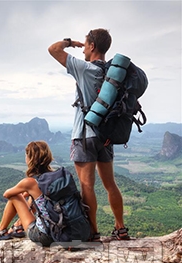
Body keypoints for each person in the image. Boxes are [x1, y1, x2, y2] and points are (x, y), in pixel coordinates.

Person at [48, 29, 130, 241]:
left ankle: (93, 232)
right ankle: (120, 228)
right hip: (106, 136)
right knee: (110, 184)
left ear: (92, 46)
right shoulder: (113, 74)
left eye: (85, 45)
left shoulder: (84, 69)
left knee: (87, 186)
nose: (82, 49)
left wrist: (70, 42)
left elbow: (53, 49)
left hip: (84, 135)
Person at [0, 141, 54, 246]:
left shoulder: (30, 182)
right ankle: (18, 225)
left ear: (30, 159)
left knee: (15, 196)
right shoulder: (54, 177)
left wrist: (23, 190)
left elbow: (6, 194)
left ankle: (0, 231)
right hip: (61, 231)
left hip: (44, 236)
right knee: (34, 198)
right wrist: (28, 193)